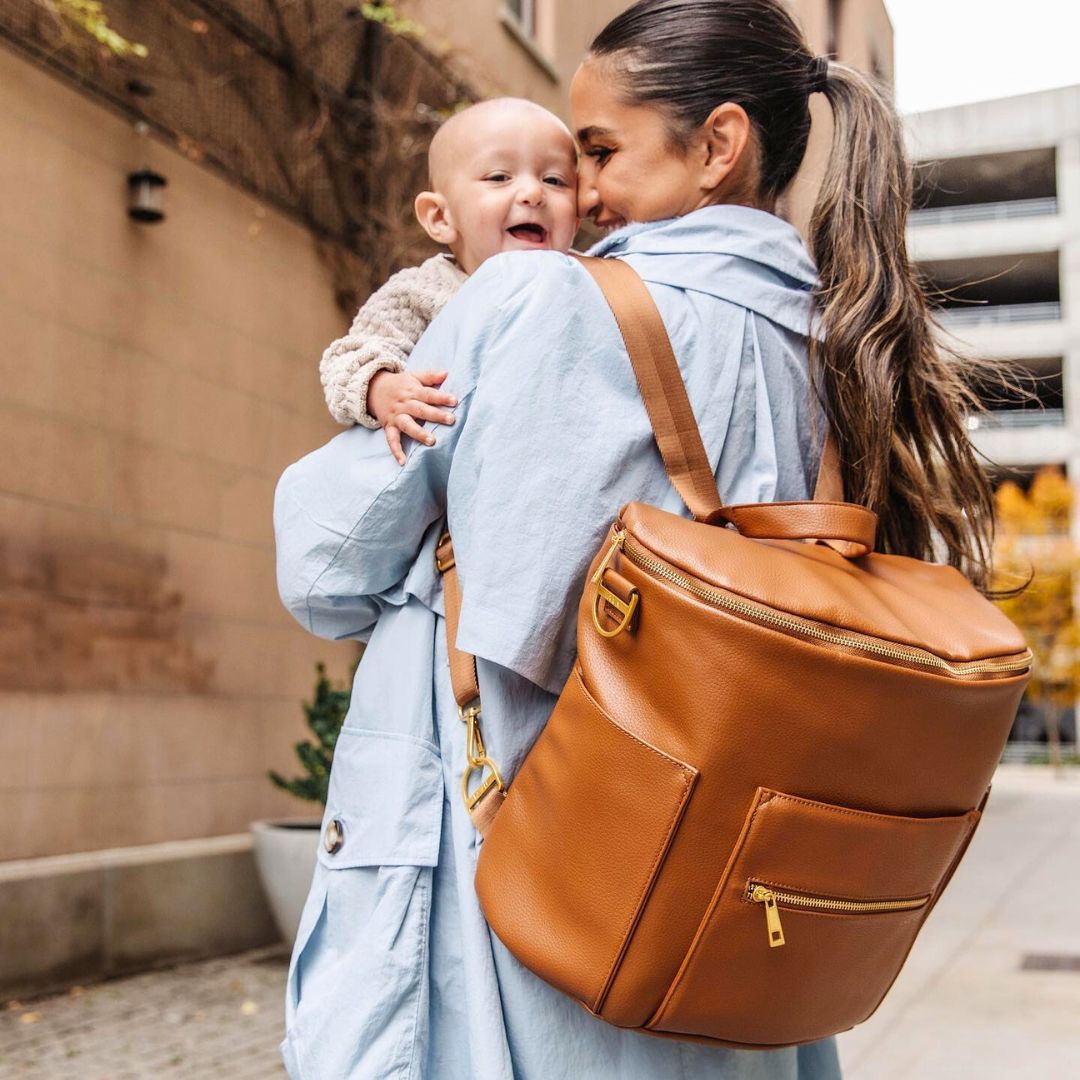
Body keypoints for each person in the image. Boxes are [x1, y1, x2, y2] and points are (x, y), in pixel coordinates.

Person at [273, 1, 994, 1077]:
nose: (584, 192)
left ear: (718, 145)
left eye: (597, 152)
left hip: (537, 905)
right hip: (731, 943)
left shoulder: (538, 301)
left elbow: (324, 569)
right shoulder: (843, 347)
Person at [319, 96, 579, 464]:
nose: (534, 194)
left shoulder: (585, 289)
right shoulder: (421, 290)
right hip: (449, 476)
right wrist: (384, 388)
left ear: (578, 218)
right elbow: (350, 358)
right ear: (440, 217)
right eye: (499, 177)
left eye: (554, 180)